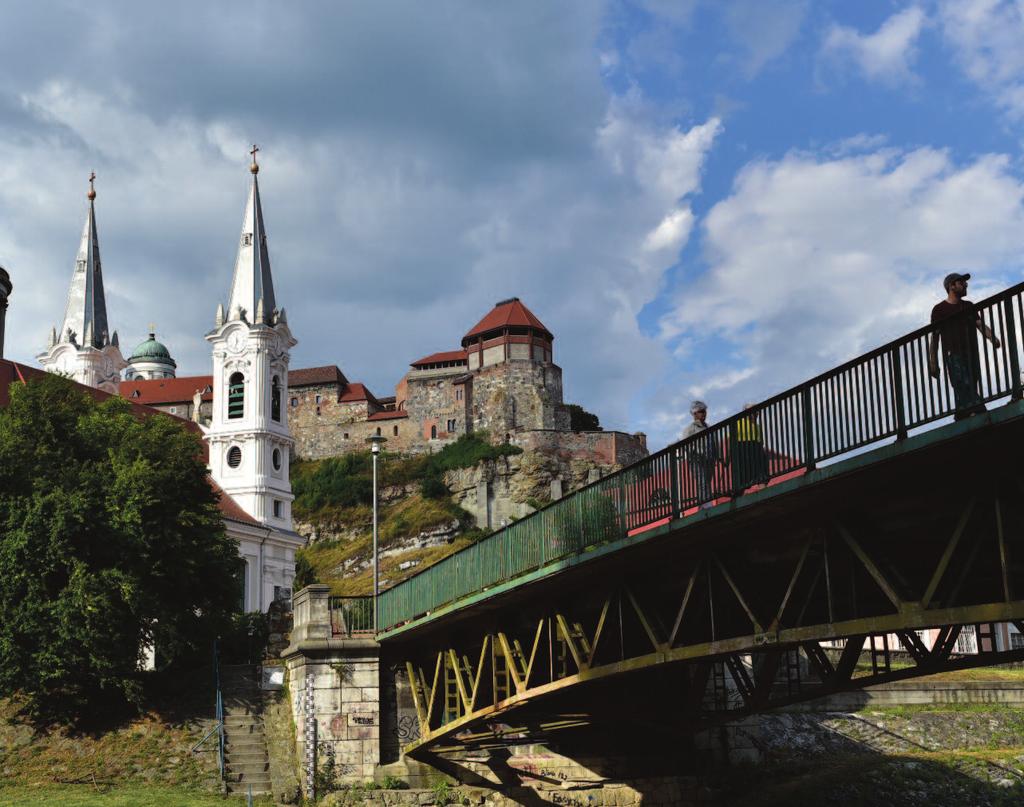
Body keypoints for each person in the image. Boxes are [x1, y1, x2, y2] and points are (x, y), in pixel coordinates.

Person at [928, 273, 1000, 420]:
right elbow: (934, 338)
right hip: (953, 354)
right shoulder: (939, 309)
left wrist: (993, 338)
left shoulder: (968, 306)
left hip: (971, 353)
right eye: (961, 282)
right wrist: (933, 363)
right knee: (963, 384)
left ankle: (961, 416)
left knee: (969, 386)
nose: (965, 285)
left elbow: (980, 325)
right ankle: (980, 412)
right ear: (951, 286)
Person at [682, 400, 718, 507]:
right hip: (696, 459)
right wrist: (693, 452)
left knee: (706, 482)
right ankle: (707, 505)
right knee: (702, 482)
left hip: (709, 459)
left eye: (705, 411)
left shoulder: (708, 427)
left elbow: (714, 442)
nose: (704, 414)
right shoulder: (690, 428)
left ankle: (702, 505)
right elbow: (685, 444)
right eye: (701, 411)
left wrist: (717, 456)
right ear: (695, 414)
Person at [732, 403, 769, 493]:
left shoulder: (757, 426)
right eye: (753, 411)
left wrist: (763, 452)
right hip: (743, 448)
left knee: (762, 471)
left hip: (756, 448)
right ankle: (739, 492)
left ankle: (762, 489)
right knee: (744, 473)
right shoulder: (738, 423)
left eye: (757, 411)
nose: (756, 413)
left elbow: (761, 442)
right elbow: (732, 440)